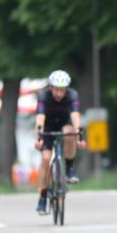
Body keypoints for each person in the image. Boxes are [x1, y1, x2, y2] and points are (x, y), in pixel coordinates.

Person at [34, 70, 85, 215]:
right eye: (56, 89)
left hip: (64, 123)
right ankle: (42, 197)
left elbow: (75, 116)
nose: (59, 93)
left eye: (62, 90)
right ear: (51, 88)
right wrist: (39, 137)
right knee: (45, 158)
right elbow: (40, 118)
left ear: (66, 89)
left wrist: (79, 135)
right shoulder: (43, 96)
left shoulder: (72, 95)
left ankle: (69, 168)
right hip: (48, 126)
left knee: (70, 133)